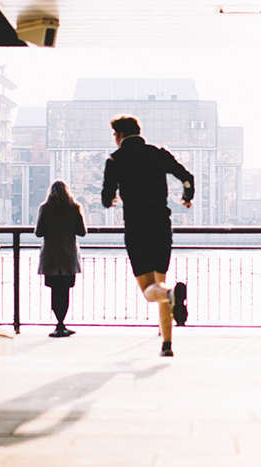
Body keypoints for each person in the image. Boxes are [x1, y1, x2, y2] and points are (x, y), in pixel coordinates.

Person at [101, 114, 193, 357]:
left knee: (151, 291)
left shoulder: (115, 160)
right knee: (160, 281)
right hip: (161, 226)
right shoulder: (157, 153)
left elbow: (105, 198)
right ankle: (167, 344)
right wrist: (187, 196)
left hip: (137, 228)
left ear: (119, 135)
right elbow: (186, 177)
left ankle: (172, 296)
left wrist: (112, 198)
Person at [35, 181, 87, 338]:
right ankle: (62, 323)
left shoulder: (45, 208)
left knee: (54, 291)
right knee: (65, 291)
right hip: (68, 256)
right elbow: (82, 232)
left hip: (51, 256)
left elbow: (39, 232)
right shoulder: (75, 208)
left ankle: (58, 324)